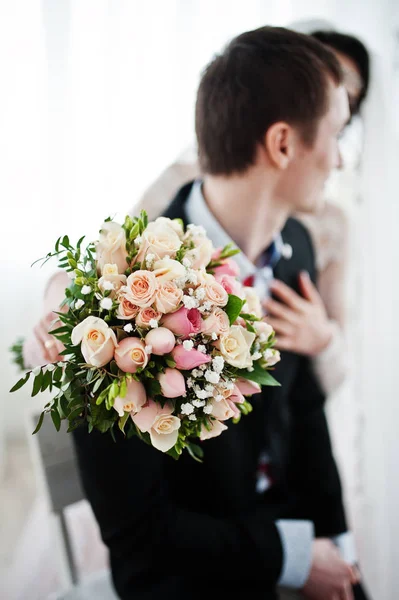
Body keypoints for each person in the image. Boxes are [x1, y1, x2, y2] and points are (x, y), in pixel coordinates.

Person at [66, 26, 373, 600]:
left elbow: (306, 420)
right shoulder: (121, 302)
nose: (337, 159)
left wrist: (341, 550)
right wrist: (292, 558)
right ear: (283, 143)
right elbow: (137, 531)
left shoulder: (300, 249)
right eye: (334, 134)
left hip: (283, 529)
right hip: (183, 575)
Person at [134, 27, 371, 400]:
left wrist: (322, 340)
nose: (340, 160)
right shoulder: (183, 198)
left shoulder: (308, 238)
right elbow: (117, 263)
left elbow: (312, 397)